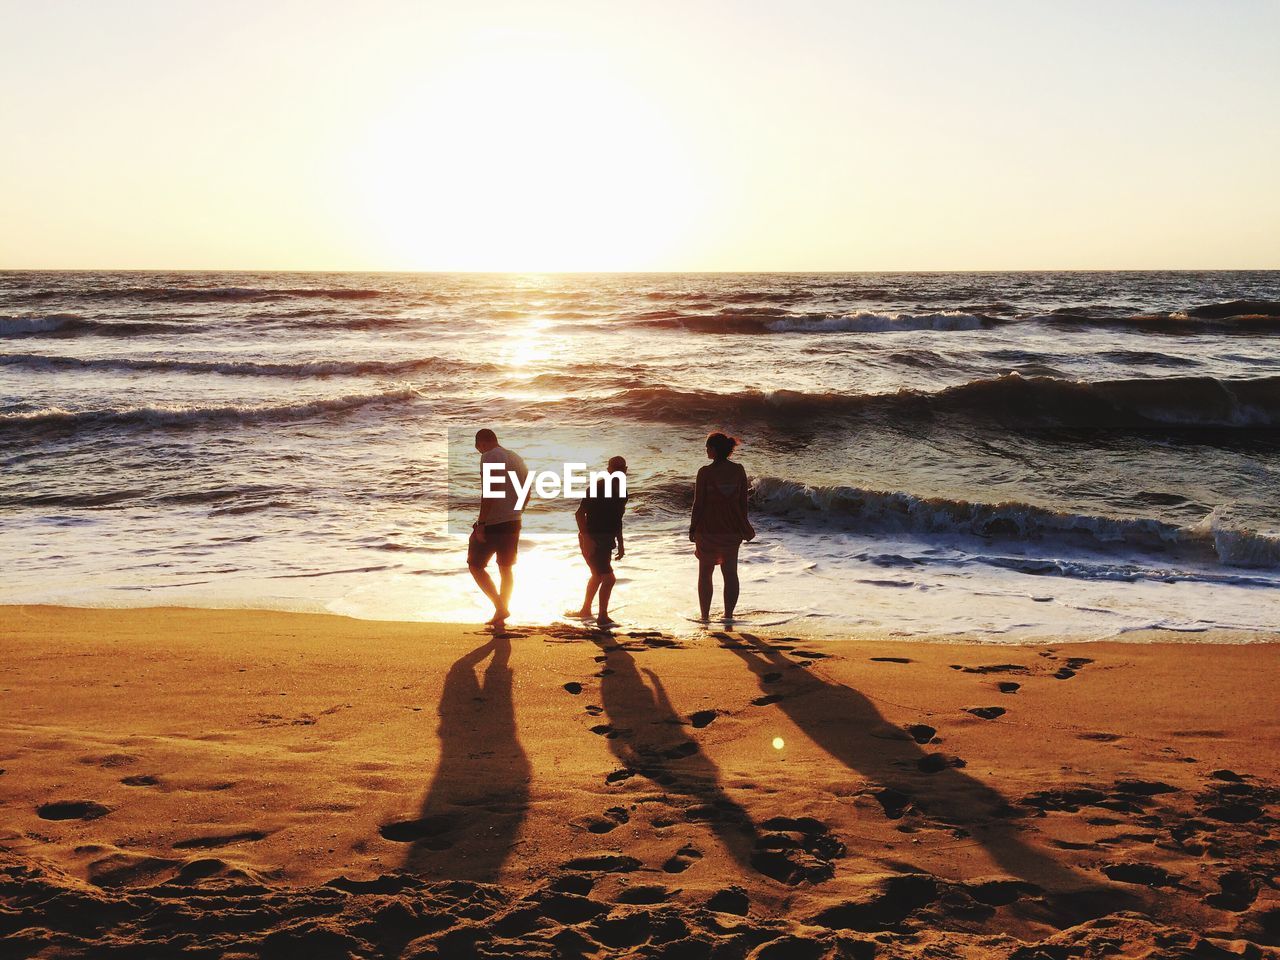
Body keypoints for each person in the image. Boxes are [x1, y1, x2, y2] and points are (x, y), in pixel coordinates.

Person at [690, 432, 754, 624]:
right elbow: (743, 502)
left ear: (714, 450)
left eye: (708, 447)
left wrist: (692, 528)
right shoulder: (738, 470)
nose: (706, 451)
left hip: (708, 529)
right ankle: (728, 616)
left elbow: (698, 504)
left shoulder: (705, 472)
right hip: (731, 528)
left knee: (705, 573)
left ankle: (705, 616)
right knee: (730, 573)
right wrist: (742, 524)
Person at [468, 428, 527, 630]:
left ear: (481, 444)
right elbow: (527, 491)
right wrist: (517, 512)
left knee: (475, 565)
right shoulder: (516, 458)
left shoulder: (490, 456)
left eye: (478, 449)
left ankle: (500, 606)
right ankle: (501, 612)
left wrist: (482, 523)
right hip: (514, 520)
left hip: (494, 522)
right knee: (505, 568)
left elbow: (490, 491)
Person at [570, 456, 628, 629]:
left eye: (621, 469)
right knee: (608, 578)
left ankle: (585, 610)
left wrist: (621, 542)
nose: (618, 472)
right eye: (614, 469)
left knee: (597, 575)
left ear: (625, 471)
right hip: (592, 538)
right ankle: (602, 616)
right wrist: (587, 539)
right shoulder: (598, 487)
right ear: (609, 470)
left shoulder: (623, 491)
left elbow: (618, 519)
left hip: (607, 540)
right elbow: (579, 514)